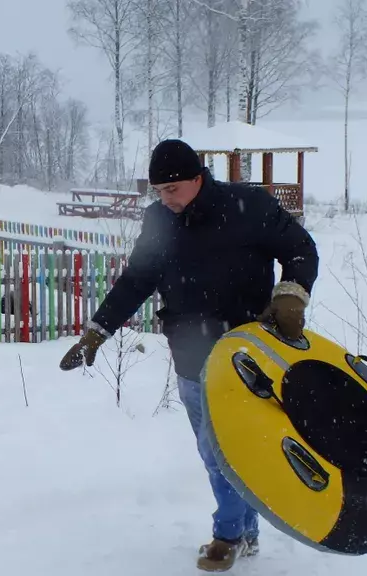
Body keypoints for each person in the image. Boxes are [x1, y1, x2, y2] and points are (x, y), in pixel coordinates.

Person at [59, 139, 319, 571]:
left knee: (225, 451)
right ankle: (247, 529)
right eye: (159, 191)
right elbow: (137, 280)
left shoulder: (249, 206)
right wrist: (97, 332)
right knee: (216, 452)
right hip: (190, 354)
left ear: (198, 178)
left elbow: (300, 250)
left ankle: (229, 534)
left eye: (173, 189)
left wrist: (290, 295)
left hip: (246, 353)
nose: (166, 199)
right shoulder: (159, 220)